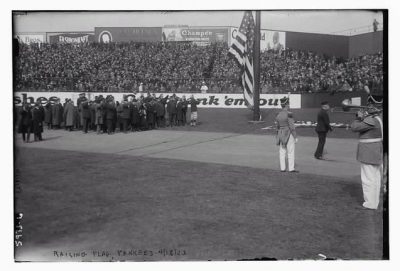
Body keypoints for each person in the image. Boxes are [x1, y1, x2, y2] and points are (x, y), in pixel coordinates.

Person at [351, 105, 383, 210]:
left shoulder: (372, 120)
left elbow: (354, 127)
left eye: (369, 107)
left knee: (368, 179)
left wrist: (358, 117)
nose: (367, 109)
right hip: (376, 151)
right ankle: (374, 202)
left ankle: (370, 203)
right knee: (375, 178)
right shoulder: (379, 118)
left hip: (368, 151)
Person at [275, 97, 298, 172]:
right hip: (288, 133)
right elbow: (292, 127)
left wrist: (278, 136)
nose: (289, 105)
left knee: (282, 151)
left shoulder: (278, 114)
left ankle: (282, 168)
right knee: (290, 151)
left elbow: (277, 127)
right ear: (286, 105)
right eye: (288, 104)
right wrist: (295, 137)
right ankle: (291, 168)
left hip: (280, 134)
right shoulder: (289, 114)